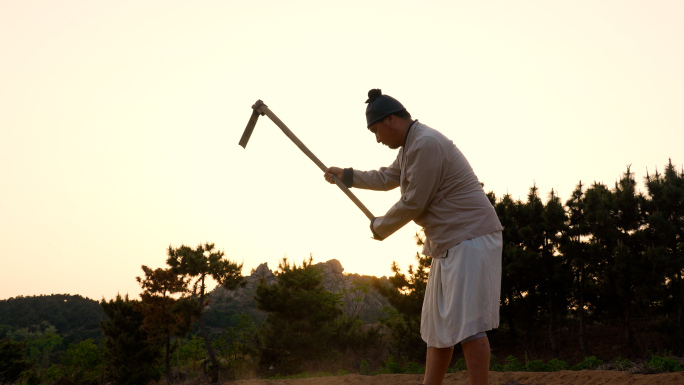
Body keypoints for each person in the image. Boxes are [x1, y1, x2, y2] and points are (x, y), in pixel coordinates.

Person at [324, 89, 503, 385]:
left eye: (376, 131)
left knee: (469, 326)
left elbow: (414, 202)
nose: (378, 139)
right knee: (437, 329)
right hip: (447, 244)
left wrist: (380, 227)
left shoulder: (426, 143)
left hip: (471, 238)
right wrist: (348, 176)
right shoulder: (410, 147)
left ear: (391, 120)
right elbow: (386, 178)